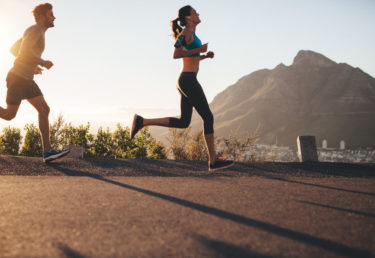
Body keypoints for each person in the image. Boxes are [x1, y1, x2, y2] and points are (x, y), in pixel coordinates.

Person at [131, 5, 233, 171]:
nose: (198, 13)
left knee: (184, 121)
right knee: (208, 117)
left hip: (186, 79)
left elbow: (190, 57)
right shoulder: (186, 32)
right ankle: (213, 161)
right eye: (194, 12)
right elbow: (176, 54)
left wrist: (204, 56)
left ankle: (143, 121)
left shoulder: (191, 34)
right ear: (187, 17)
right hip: (188, 80)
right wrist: (200, 49)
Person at [1, 3, 69, 163]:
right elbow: (23, 52)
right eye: (50, 14)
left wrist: (33, 66)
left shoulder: (36, 31)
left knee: (13, 114)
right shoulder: (35, 29)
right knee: (40, 110)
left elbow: (14, 49)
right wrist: (42, 62)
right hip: (19, 79)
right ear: (41, 17)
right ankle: (47, 152)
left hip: (22, 78)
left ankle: (47, 152)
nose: (54, 17)